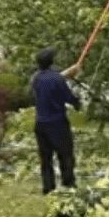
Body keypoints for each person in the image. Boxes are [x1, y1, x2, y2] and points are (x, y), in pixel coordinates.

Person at [30, 47, 82, 195]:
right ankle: (68, 183)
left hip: (40, 125)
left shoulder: (36, 79)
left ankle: (48, 187)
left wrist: (70, 71)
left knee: (45, 158)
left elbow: (51, 80)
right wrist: (77, 103)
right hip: (57, 124)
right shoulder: (57, 79)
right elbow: (68, 96)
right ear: (51, 61)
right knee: (65, 154)